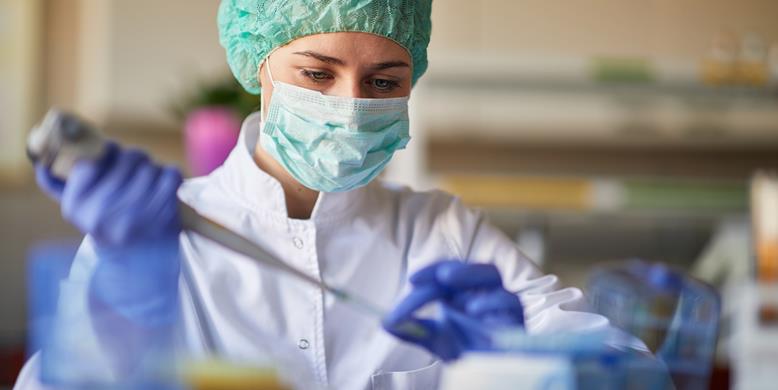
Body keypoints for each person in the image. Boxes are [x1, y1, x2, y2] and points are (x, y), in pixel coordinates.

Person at [15, 1, 647, 389]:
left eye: (383, 80)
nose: (350, 107)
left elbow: (638, 373)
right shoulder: (152, 232)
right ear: (257, 62)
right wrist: (125, 299)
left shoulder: (444, 232)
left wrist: (523, 359)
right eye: (317, 74)